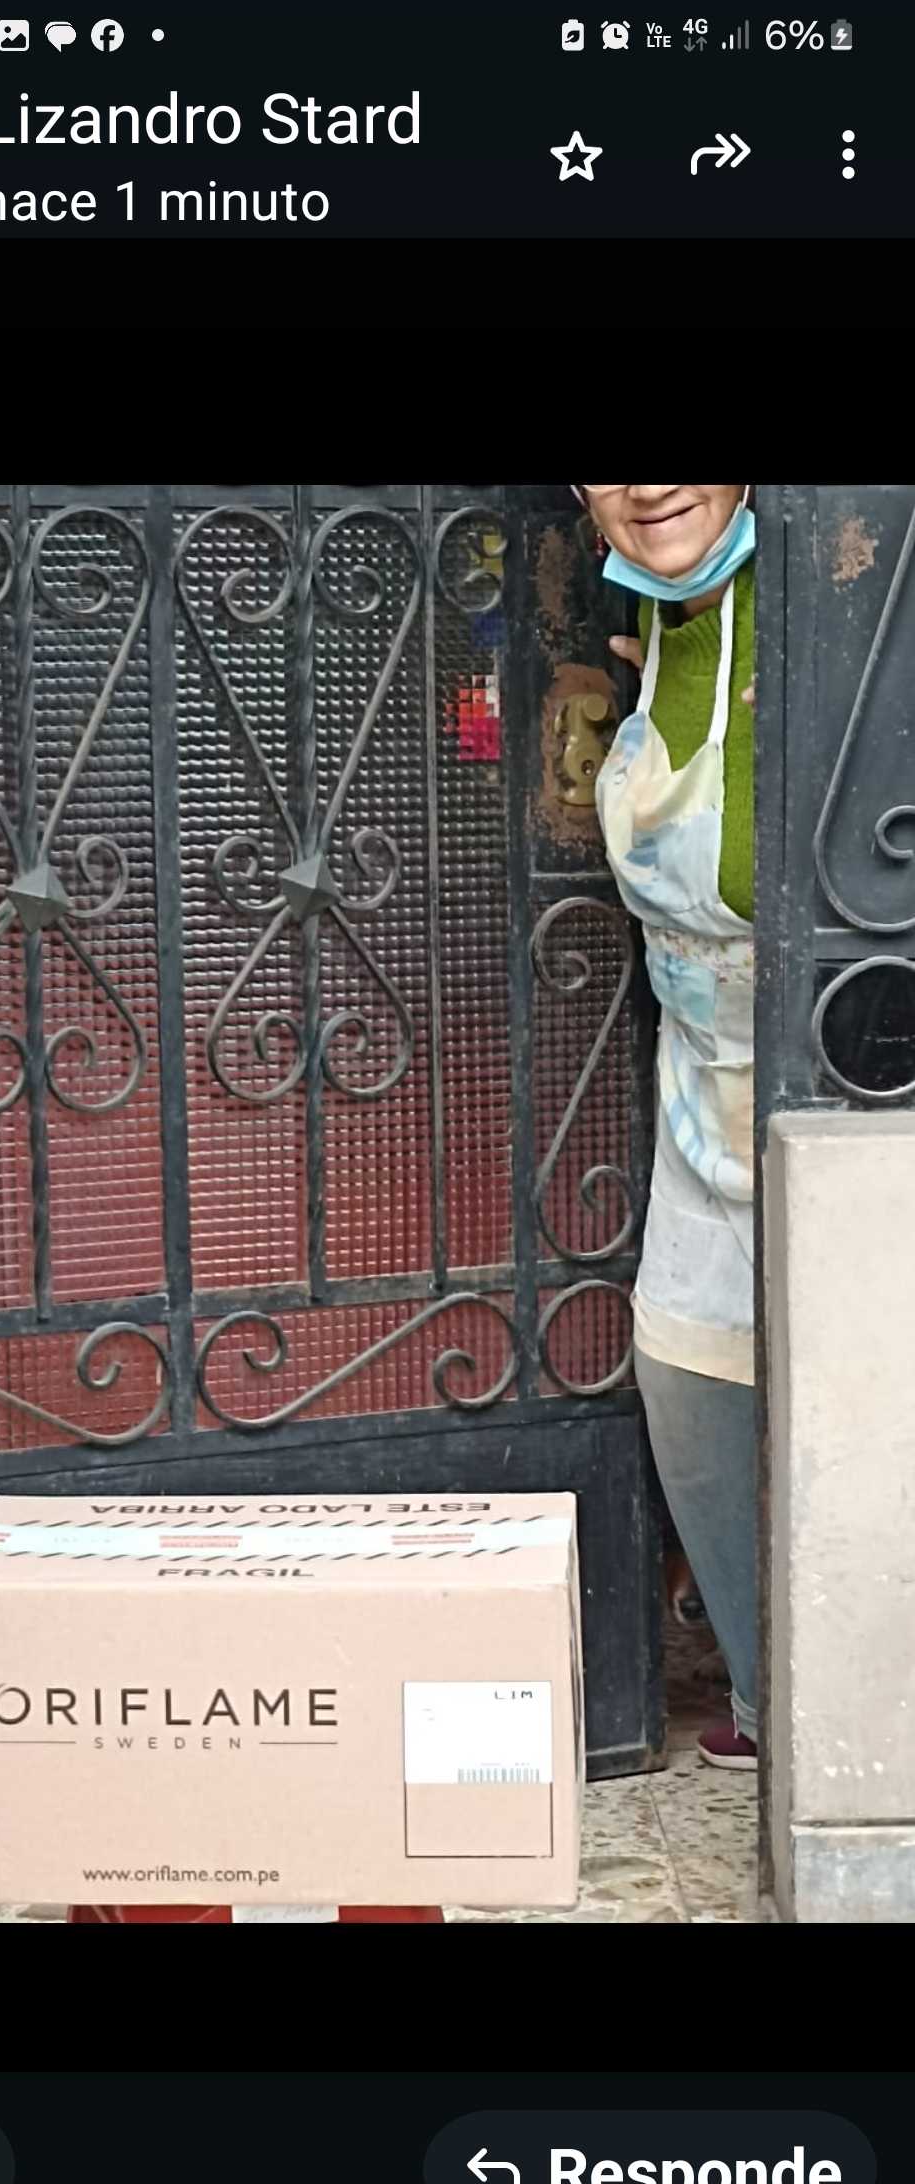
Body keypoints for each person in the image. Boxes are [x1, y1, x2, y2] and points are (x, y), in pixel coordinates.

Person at [576, 484, 758, 1770]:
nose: (647, 487)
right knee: (691, 1393)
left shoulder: (835, 629)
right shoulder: (648, 625)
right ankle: (772, 1696)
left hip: (841, 1093)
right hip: (701, 1086)